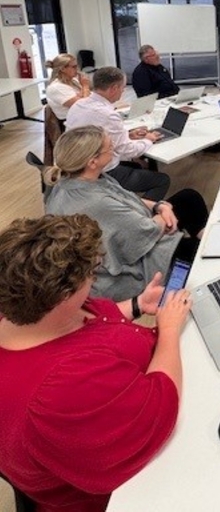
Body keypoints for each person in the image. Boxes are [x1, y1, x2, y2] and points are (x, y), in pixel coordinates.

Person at [0, 212, 191, 512]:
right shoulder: (59, 388)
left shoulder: (26, 312)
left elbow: (92, 320)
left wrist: (138, 305)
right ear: (63, 298)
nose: (93, 280)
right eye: (91, 275)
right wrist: (168, 329)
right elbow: (159, 406)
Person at [45, 126, 206, 301]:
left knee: (189, 198)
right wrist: (163, 217)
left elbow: (127, 197)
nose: (114, 147)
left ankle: (204, 239)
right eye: (110, 147)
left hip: (135, 227)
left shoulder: (74, 179)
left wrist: (159, 206)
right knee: (195, 250)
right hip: (128, 266)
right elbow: (147, 231)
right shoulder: (96, 202)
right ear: (92, 162)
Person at [66, 66, 170, 200]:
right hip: (103, 171)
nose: (123, 91)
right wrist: (149, 139)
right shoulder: (108, 114)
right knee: (162, 180)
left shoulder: (78, 105)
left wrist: (128, 134)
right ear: (114, 88)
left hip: (79, 167)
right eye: (123, 88)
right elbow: (129, 151)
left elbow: (95, 134)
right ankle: (142, 210)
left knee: (138, 166)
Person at [45, 53, 91, 122]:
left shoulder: (73, 80)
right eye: (74, 67)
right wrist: (85, 86)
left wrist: (82, 93)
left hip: (83, 116)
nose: (77, 69)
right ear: (63, 69)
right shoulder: (56, 87)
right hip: (73, 122)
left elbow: (86, 97)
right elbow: (83, 105)